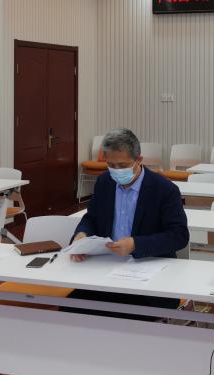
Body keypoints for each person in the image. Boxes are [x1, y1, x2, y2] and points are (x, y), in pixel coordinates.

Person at [69, 127, 189, 312]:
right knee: (72, 307)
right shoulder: (104, 182)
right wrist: (82, 234)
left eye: (123, 165)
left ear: (139, 160)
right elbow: (91, 218)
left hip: (149, 274)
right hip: (105, 269)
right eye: (111, 165)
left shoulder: (164, 190)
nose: (116, 171)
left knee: (125, 315)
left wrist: (135, 245)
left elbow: (179, 235)